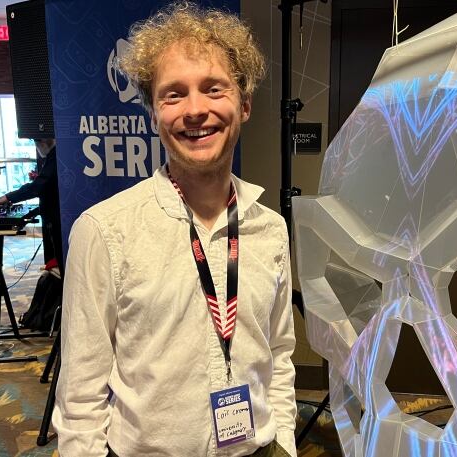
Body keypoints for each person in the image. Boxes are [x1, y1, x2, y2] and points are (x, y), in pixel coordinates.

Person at [52, 3, 297, 457]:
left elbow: (279, 354)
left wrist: (283, 437)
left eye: (213, 89)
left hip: (259, 448)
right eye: (173, 94)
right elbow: (80, 395)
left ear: (243, 105)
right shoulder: (105, 231)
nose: (195, 110)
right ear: (153, 114)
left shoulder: (271, 228)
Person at [0, 138, 61, 264]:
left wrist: (8, 197)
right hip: (54, 215)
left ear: (41, 143)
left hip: (57, 219)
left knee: (60, 258)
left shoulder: (54, 157)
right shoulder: (56, 155)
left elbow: (38, 187)